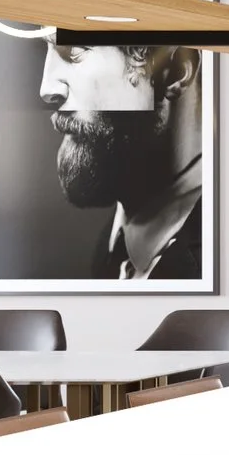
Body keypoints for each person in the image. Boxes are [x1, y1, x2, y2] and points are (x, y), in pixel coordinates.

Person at [35, 38, 204, 280]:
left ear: (175, 71)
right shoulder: (111, 245)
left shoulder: (220, 251)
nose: (46, 89)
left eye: (74, 51)